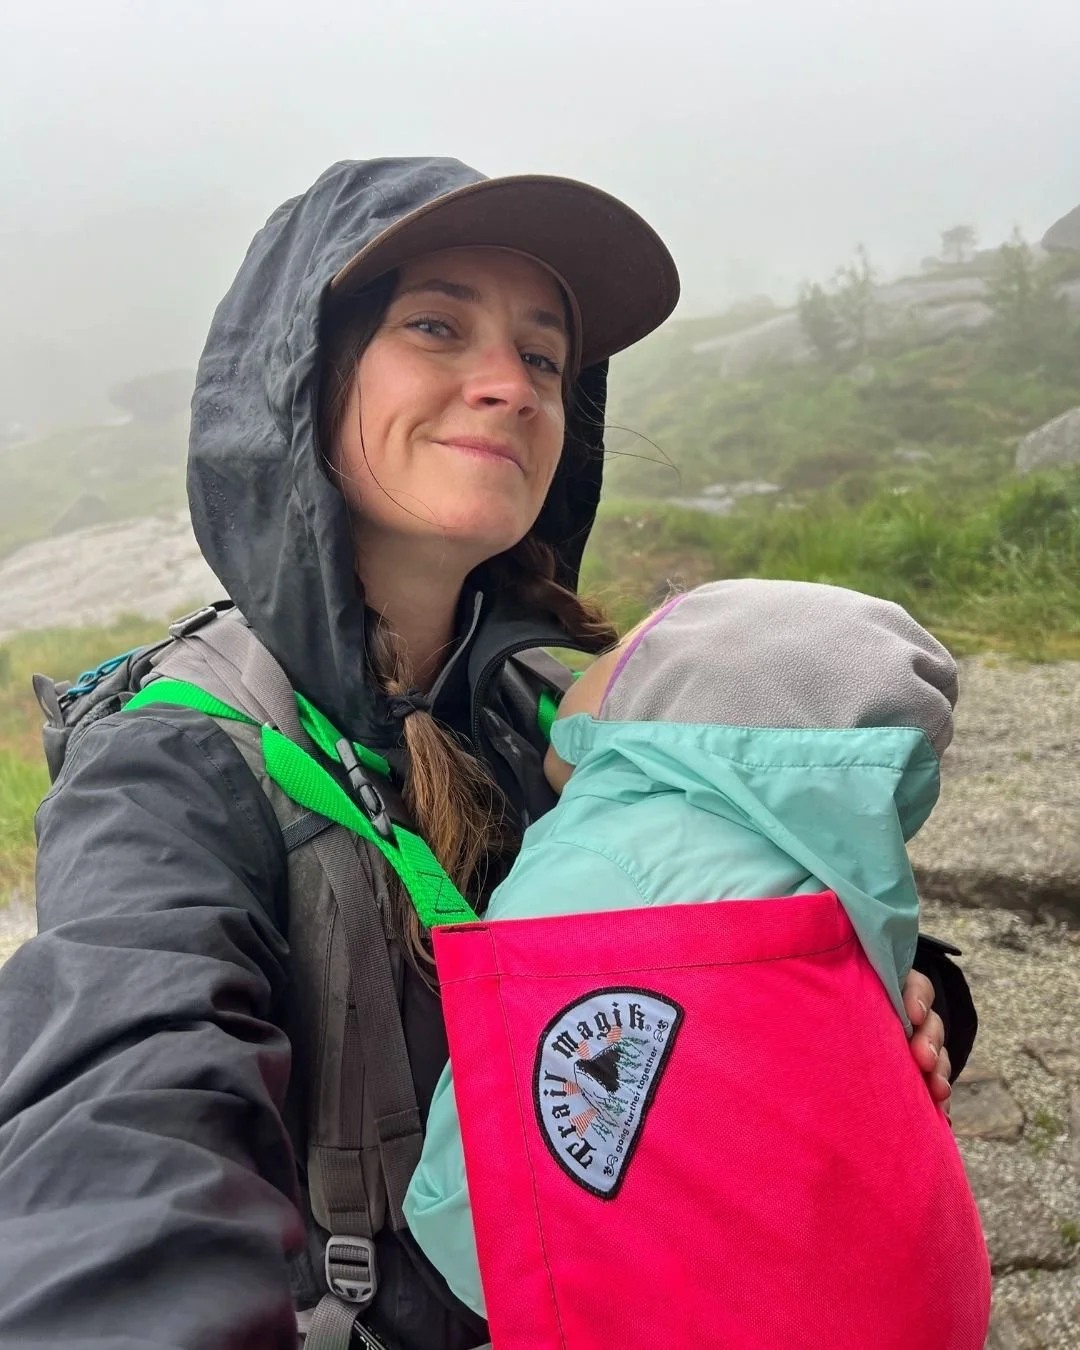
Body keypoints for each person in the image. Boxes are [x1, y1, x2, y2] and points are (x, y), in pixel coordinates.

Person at [0, 159, 972, 1350]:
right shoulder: (176, 765)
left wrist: (911, 1007)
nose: (509, 385)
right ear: (300, 378)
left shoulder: (561, 704)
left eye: (546, 357)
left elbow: (783, 933)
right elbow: (120, 1114)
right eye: (435, 324)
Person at [404, 579, 991, 1349]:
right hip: (930, 1294)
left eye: (613, 654)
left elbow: (476, 1214)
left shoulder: (595, 867)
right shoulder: (843, 881)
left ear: (658, 690)